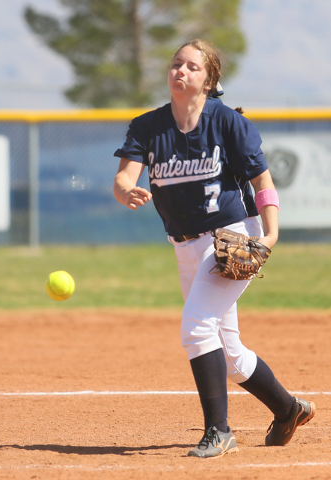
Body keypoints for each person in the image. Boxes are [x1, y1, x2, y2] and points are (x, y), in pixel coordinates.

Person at [113, 39, 315, 458]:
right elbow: (123, 177)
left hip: (231, 237)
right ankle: (287, 408)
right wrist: (125, 190)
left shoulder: (226, 123)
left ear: (209, 80)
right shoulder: (147, 126)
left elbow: (262, 181)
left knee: (196, 327)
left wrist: (271, 234)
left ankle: (219, 431)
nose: (180, 71)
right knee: (229, 349)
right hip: (184, 245)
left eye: (191, 66)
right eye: (175, 64)